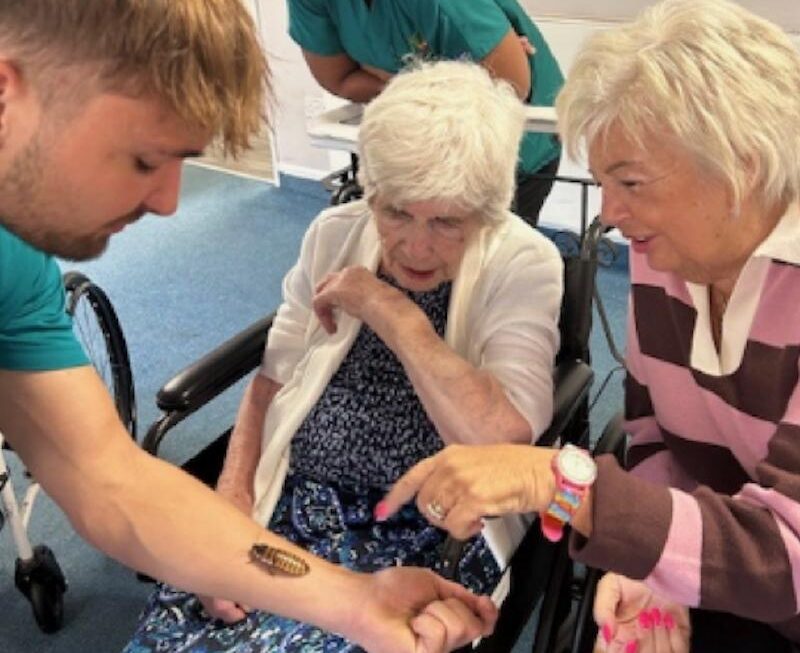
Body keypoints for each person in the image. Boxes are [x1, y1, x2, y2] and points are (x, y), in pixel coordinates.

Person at [0, 3, 497, 651]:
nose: (168, 202)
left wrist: (353, 599)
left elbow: (111, 482)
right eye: (145, 160)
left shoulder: (16, 262)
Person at [378, 1, 800, 651]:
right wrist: (655, 571)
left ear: (742, 165)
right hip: (724, 560)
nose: (609, 213)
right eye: (603, 182)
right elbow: (653, 433)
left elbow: (786, 557)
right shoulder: (667, 255)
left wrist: (555, 483)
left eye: (630, 182)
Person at [123, 60, 563, 652]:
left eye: (446, 222)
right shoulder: (334, 232)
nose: (415, 245)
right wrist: (233, 502)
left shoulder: (524, 262)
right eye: (396, 210)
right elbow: (271, 382)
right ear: (372, 192)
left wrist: (389, 309)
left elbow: (501, 439)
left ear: (485, 213)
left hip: (426, 534)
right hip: (294, 500)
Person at [286, 0, 564, 227]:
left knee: (487, 259)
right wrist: (446, 78)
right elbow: (339, 79)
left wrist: (390, 78)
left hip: (515, 140)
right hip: (419, 154)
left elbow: (509, 85)